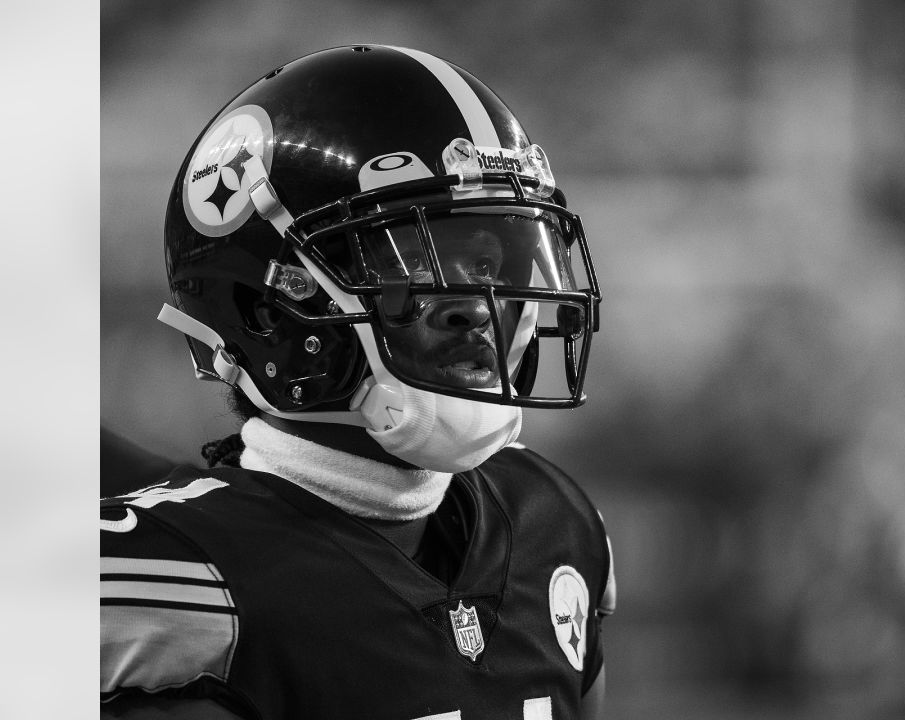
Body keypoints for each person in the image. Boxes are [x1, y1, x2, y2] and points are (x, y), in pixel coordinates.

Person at [101, 45, 613, 720]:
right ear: (268, 308)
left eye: (494, 260)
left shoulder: (551, 520)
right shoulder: (177, 578)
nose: (484, 306)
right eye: (417, 263)